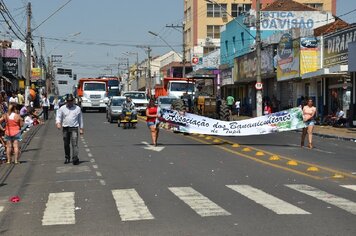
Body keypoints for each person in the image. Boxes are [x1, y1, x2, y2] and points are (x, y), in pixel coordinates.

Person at [55, 94, 84, 165]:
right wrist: (58, 123)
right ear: (66, 101)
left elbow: (80, 119)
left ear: (73, 101)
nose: (70, 102)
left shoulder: (77, 108)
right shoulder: (62, 108)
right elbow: (58, 116)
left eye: (71, 101)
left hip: (74, 128)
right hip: (65, 128)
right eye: (68, 101)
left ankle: (75, 158)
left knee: (74, 144)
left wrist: (81, 128)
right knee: (66, 144)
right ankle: (67, 157)